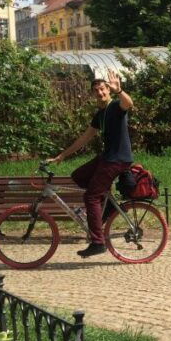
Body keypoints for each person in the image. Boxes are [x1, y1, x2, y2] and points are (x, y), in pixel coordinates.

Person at [48, 70, 133, 258]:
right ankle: (108, 206)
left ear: (108, 90)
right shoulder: (100, 114)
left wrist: (119, 91)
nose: (100, 93)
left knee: (91, 197)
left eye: (102, 89)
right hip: (107, 157)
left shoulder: (116, 106)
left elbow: (129, 103)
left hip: (118, 158)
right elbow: (84, 138)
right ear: (93, 94)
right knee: (78, 176)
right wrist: (62, 155)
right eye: (96, 91)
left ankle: (98, 242)